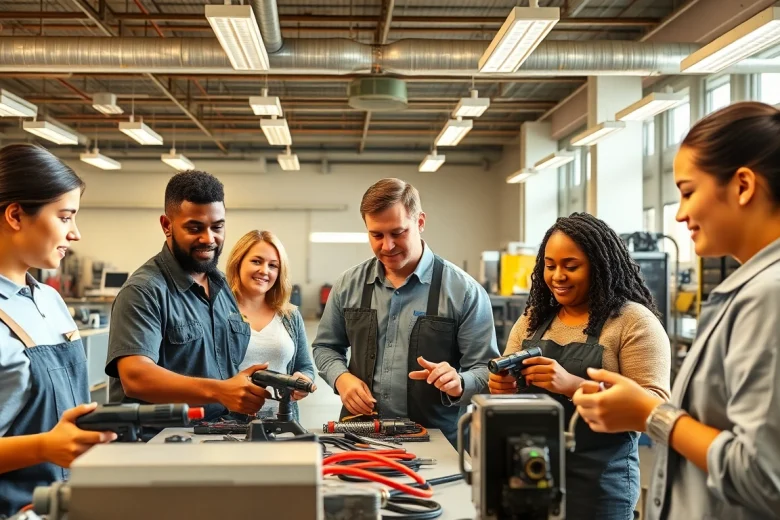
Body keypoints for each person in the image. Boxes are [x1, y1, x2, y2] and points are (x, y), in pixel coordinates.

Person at [573, 102, 780, 520]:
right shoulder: (749, 292)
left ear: (742, 186)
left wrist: (650, 414)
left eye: (688, 192)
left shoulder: (767, 297)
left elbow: (763, 477)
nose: (681, 213)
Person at [489, 212, 671, 520]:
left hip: (599, 487)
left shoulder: (632, 322)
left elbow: (656, 411)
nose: (557, 276)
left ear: (598, 267)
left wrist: (573, 386)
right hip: (528, 478)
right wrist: (502, 388)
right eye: (550, 266)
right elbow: (505, 395)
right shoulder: (533, 320)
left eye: (571, 266)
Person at [313, 178, 499, 445]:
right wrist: (341, 378)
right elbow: (325, 347)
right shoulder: (348, 285)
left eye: (397, 233)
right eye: (377, 235)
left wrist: (459, 381)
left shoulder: (464, 291)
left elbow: (486, 369)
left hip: (437, 440)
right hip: (360, 435)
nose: (387, 246)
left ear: (420, 222)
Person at [0, 144, 116, 517]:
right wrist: (44, 447)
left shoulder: (50, 300)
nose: (75, 233)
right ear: (16, 215)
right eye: (65, 217)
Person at [105, 170, 269, 421]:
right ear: (166, 225)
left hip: (217, 432)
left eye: (217, 227)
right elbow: (136, 377)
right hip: (158, 438)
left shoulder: (222, 285)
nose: (209, 238)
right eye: (195, 228)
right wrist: (220, 391)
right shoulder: (143, 291)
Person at [226, 230, 316, 421]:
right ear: (238, 262)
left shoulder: (290, 315)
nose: (264, 271)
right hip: (228, 424)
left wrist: (304, 379)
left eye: (273, 265)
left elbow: (305, 366)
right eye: (256, 261)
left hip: (282, 423)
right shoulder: (218, 313)